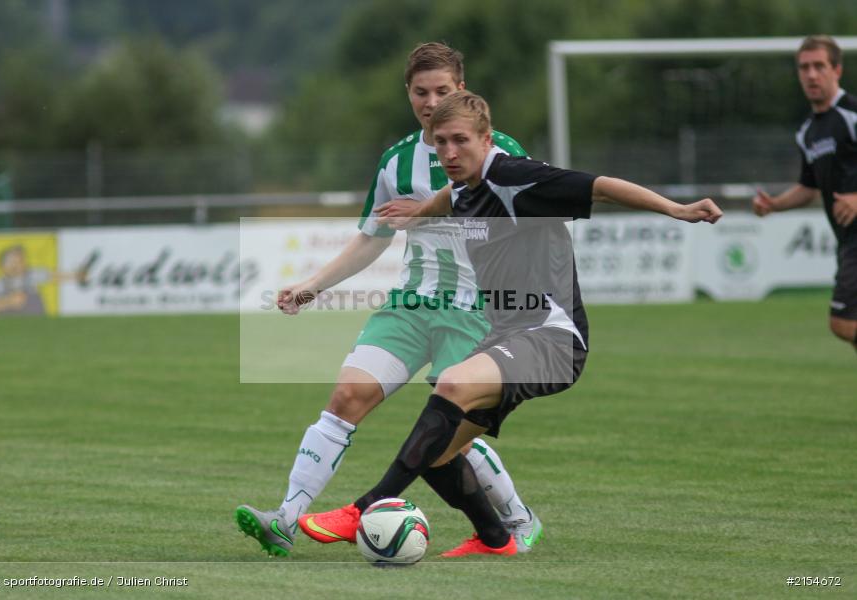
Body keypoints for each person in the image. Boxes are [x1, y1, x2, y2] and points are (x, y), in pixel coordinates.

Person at [299, 90, 722, 557]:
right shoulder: (462, 184)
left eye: (460, 140)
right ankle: (496, 539)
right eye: (440, 143)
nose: (449, 153)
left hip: (552, 336)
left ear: (486, 138)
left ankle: (366, 506)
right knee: (438, 455)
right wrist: (419, 210)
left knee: (452, 384)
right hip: (507, 335)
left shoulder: (514, 176)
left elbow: (601, 185)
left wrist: (676, 210)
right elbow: (449, 198)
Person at [236, 44, 541, 557]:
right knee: (345, 399)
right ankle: (284, 519)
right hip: (410, 305)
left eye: (443, 90)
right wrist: (313, 285)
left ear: (462, 88)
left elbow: (525, 228)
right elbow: (372, 238)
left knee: (454, 435)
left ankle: (517, 519)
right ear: (408, 94)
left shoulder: (500, 150)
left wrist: (429, 214)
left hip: (476, 309)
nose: (431, 101)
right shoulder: (396, 161)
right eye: (421, 92)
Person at [752, 35, 857, 355]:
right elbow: (809, 188)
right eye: (804, 67)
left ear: (836, 70)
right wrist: (775, 205)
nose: (811, 74)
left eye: (819, 66)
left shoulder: (852, 115)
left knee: (843, 322)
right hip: (847, 240)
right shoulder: (807, 131)